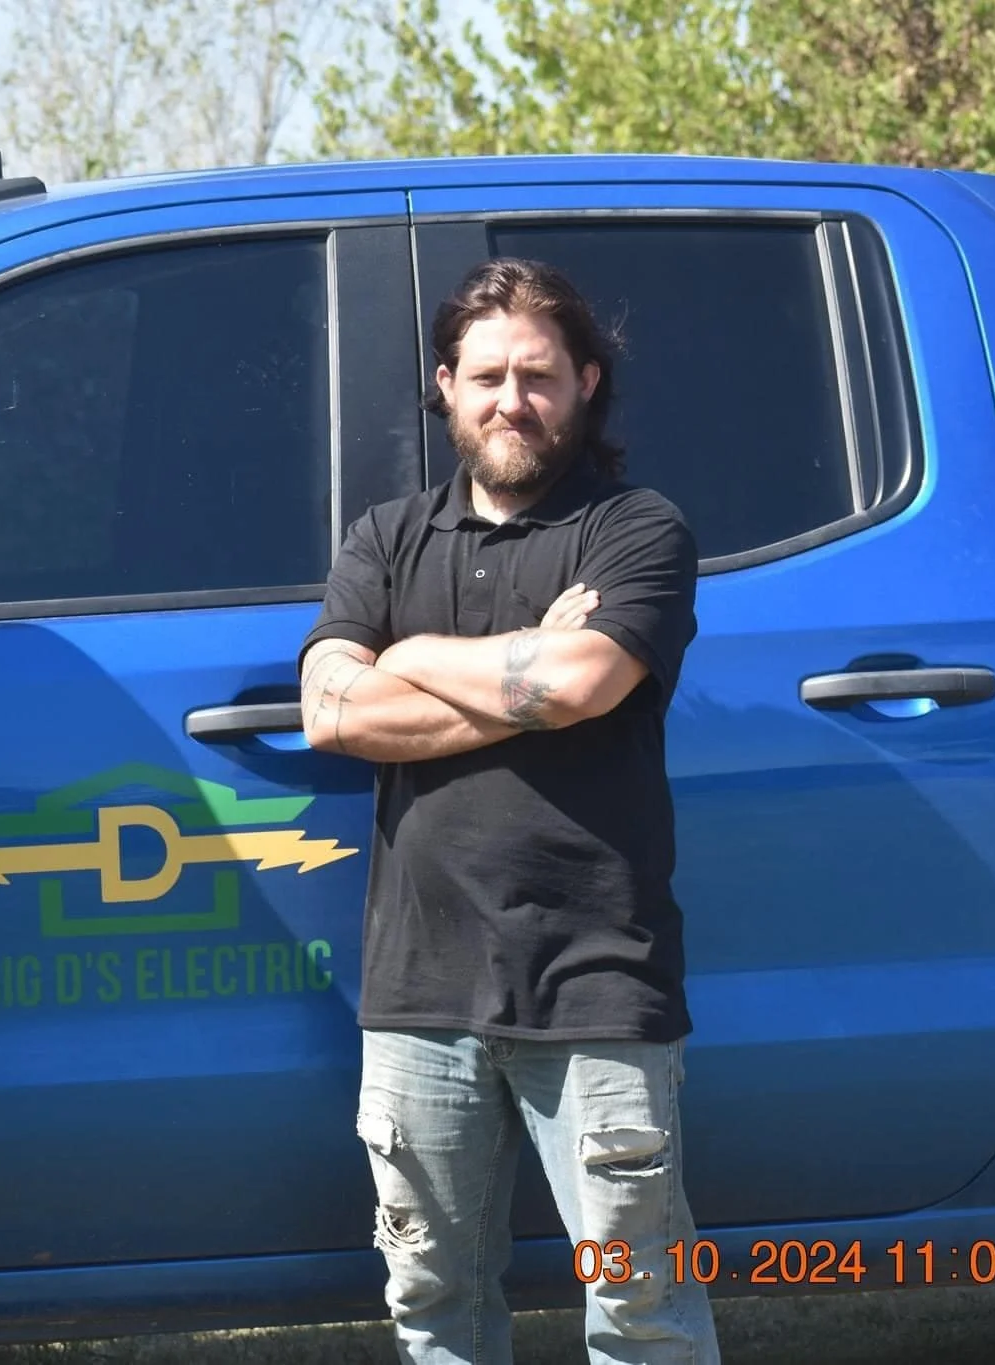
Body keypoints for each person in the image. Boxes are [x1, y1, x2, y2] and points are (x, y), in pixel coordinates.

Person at [298, 257, 719, 1365]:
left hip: (594, 981)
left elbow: (580, 686)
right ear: (444, 385)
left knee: (638, 1311)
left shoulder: (636, 531)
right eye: (484, 375)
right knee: (433, 1309)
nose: (509, 400)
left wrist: (418, 652)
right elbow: (331, 713)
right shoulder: (385, 538)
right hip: (416, 991)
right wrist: (521, 676)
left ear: (584, 381)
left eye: (537, 375)